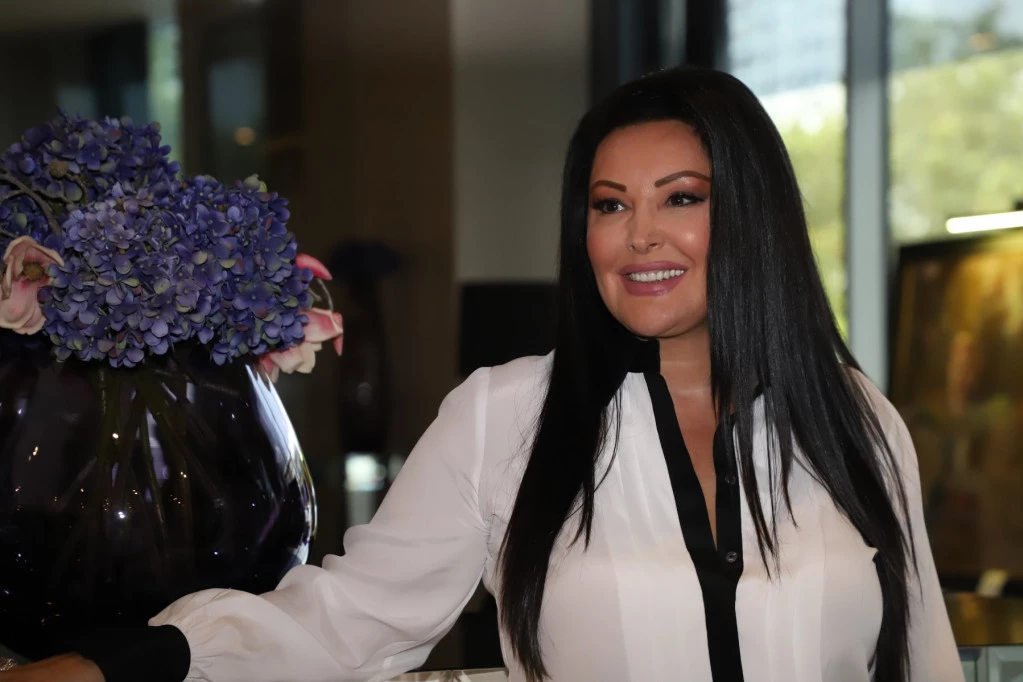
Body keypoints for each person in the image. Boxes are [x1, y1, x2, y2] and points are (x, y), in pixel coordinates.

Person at [1, 66, 962, 682]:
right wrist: (123, 665)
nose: (637, 236)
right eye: (608, 204)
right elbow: (351, 620)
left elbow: (922, 655)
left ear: (752, 215)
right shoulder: (507, 415)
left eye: (680, 199)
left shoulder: (855, 419)